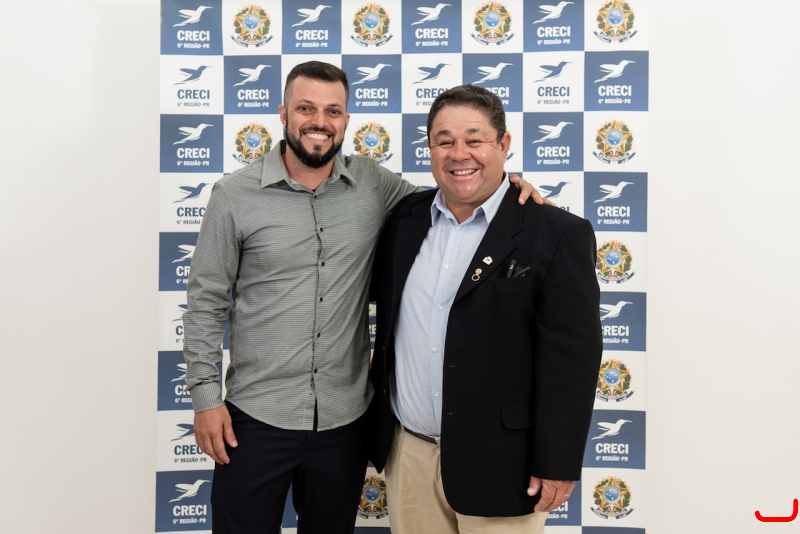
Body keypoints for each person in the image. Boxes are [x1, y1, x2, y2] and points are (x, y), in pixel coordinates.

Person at [182, 62, 543, 534]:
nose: (319, 121)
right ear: (283, 113)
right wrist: (206, 400)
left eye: (333, 111)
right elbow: (205, 303)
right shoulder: (234, 195)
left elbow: (453, 196)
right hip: (256, 416)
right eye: (306, 108)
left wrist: (508, 189)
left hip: (345, 419)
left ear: (346, 120)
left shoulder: (373, 184)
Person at [370, 84, 603, 534]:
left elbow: (572, 361)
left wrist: (558, 462)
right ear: (429, 148)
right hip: (409, 457)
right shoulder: (404, 220)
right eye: (444, 141)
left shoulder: (555, 233)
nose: (459, 154)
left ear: (504, 143)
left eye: (474, 139)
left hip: (504, 465)